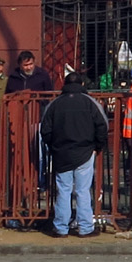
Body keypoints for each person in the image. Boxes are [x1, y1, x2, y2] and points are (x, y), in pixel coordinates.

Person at [40, 70, 109, 237]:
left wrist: (54, 145)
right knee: (83, 190)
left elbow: (45, 130)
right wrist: (97, 146)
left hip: (61, 153)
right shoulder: (91, 103)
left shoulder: (55, 104)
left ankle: (61, 228)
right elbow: (103, 126)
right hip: (85, 151)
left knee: (63, 190)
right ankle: (86, 228)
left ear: (64, 85)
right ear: (82, 84)